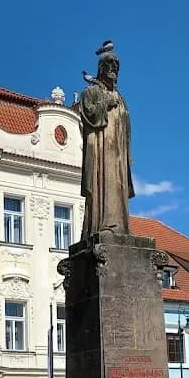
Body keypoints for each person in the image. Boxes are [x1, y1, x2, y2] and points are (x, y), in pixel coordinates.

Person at [78, 40, 135, 238]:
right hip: (101, 151)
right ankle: (101, 226)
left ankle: (121, 227)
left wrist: (127, 152)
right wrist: (106, 103)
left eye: (116, 66)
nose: (113, 69)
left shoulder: (121, 97)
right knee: (103, 185)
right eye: (109, 65)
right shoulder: (91, 92)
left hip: (118, 150)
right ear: (101, 68)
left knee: (118, 186)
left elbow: (126, 126)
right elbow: (88, 116)